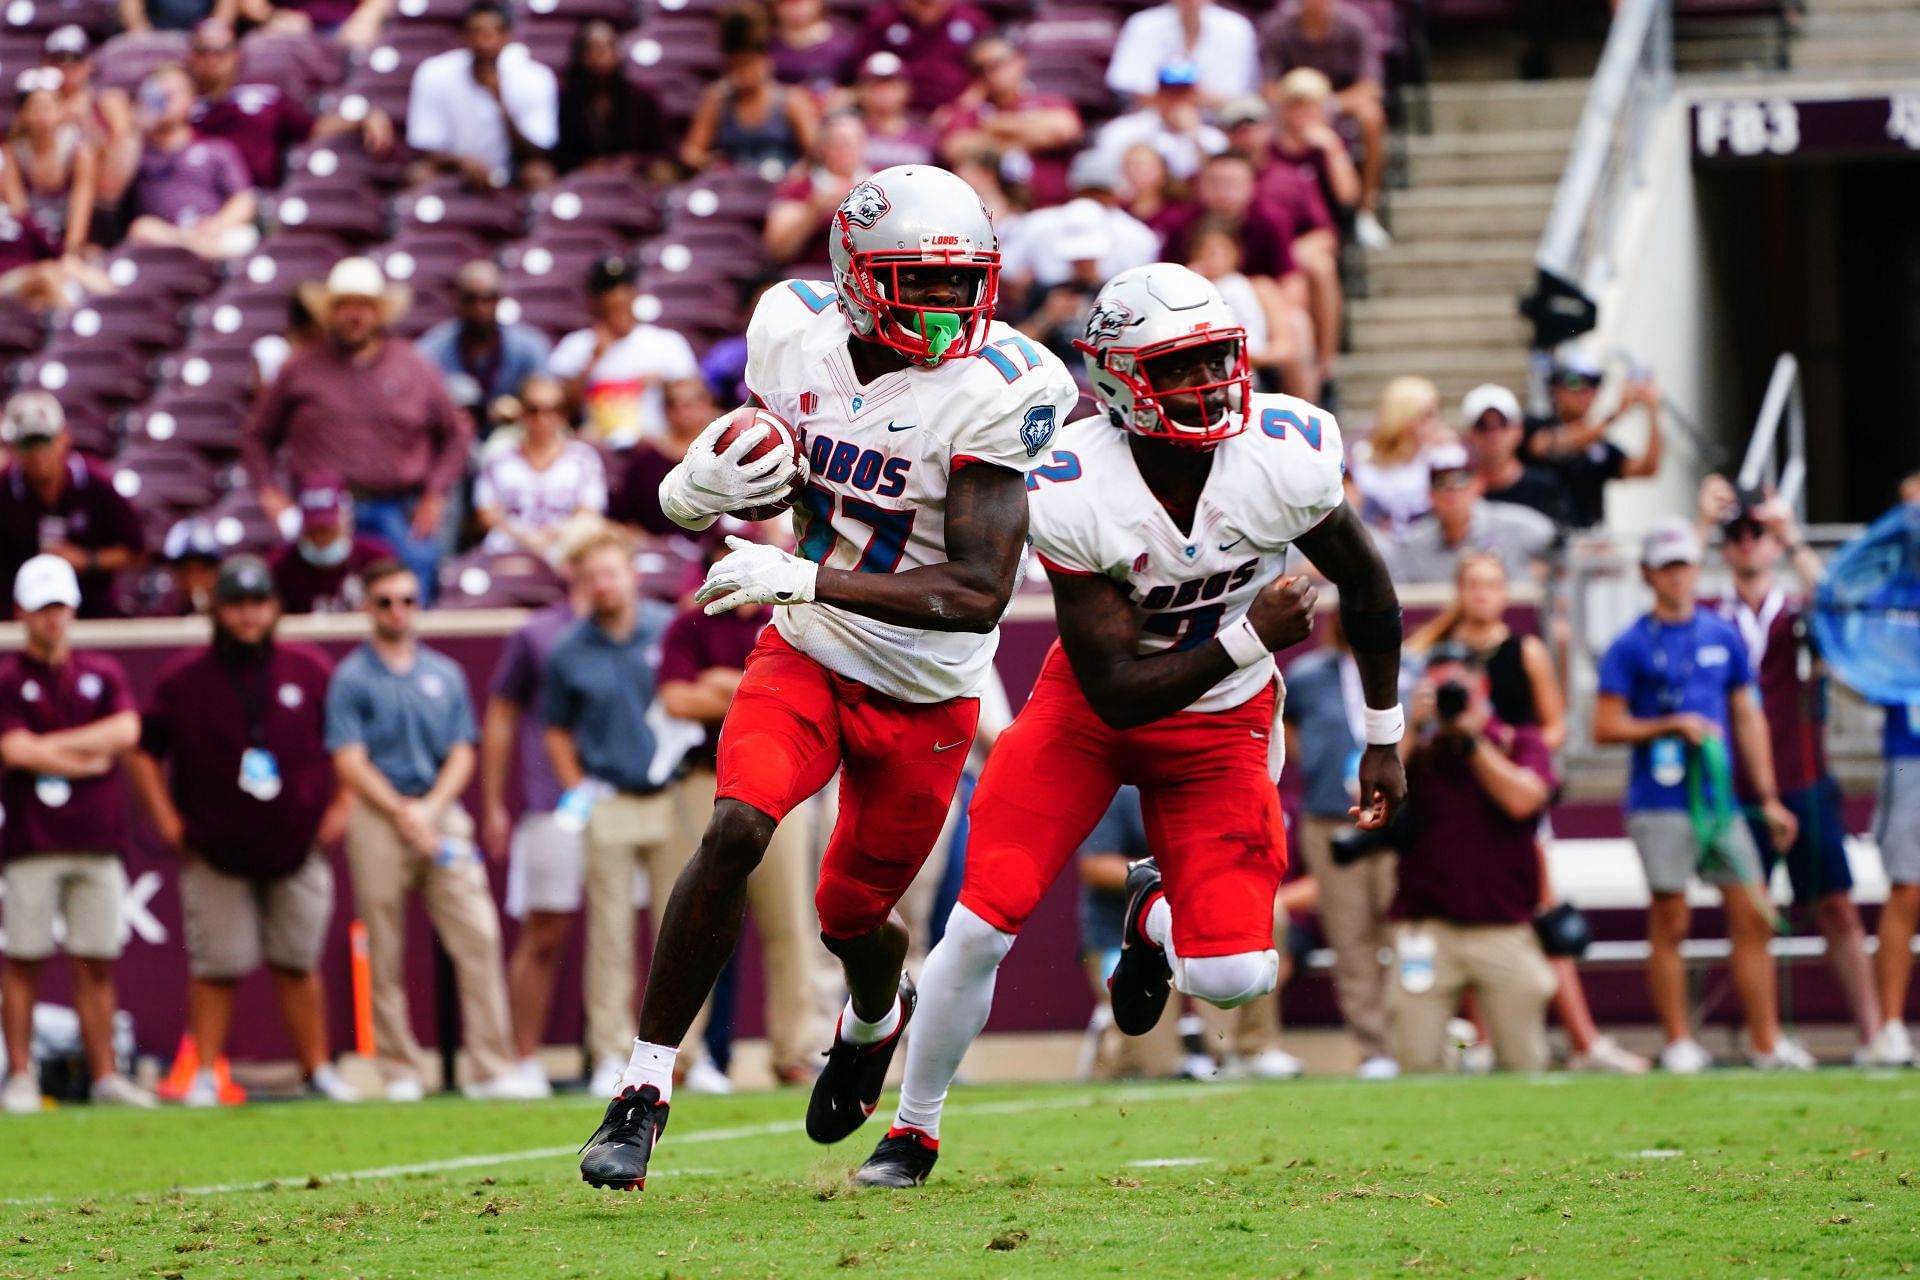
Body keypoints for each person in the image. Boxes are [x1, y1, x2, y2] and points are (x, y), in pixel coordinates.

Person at [576, 164, 1079, 1193]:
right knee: (735, 828)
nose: (945, 308)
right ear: (855, 275)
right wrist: (691, 488)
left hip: (927, 683)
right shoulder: (790, 331)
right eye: (917, 282)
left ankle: (873, 1017)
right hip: (806, 647)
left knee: (852, 917)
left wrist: (803, 568)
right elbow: (760, 461)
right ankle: (643, 1084)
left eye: (960, 282)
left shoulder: (1004, 384)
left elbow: (982, 588)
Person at [855, 263, 1408, 1188]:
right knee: (982, 923)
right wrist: (1247, 638)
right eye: (1180, 366)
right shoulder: (1071, 482)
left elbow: (1370, 582)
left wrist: (1383, 734)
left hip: (1221, 727)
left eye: (1216, 359)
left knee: (1235, 978)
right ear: (1115, 379)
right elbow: (1115, 689)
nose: (1206, 384)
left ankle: (1154, 920)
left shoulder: (1285, 451)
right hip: (1091, 714)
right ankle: (914, 1129)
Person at [126, 555, 358, 1107]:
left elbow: (347, 744)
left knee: (299, 963)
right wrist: (166, 819)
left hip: (295, 843)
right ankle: (205, 1072)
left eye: (259, 603)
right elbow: (142, 750)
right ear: (218, 608)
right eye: (237, 603)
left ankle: (316, 1070)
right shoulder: (183, 678)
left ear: (275, 608)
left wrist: (341, 807)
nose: (249, 615)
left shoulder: (309, 669)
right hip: (214, 845)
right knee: (217, 966)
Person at [1408, 552, 1649, 1074]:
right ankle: (1485, 1041)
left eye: (1492, 585)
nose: (1482, 595)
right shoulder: (1434, 653)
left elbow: (1555, 726)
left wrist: (1508, 747)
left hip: (1509, 787)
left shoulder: (1527, 651)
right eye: (1472, 585)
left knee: (1534, 910)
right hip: (1452, 795)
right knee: (1465, 911)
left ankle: (1583, 1039)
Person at [1593, 518, 1811, 1073]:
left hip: (1721, 798)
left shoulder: (1722, 634)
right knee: (1672, 920)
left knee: (1753, 913)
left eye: (1685, 564)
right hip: (1659, 799)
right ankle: (1679, 1040)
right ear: (1648, 574)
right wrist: (1669, 725)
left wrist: (1766, 797)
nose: (1678, 576)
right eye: (1667, 567)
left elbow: (1748, 717)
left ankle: (1765, 1042)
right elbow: (1605, 726)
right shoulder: (1630, 644)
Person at [326, 560, 533, 1100]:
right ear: (367, 608)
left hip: (440, 814)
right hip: (379, 817)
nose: (398, 611)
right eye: (386, 601)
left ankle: (491, 1065)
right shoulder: (351, 678)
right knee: (384, 947)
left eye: (408, 600)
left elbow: (463, 751)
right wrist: (401, 811)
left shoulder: (444, 673)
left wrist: (431, 810)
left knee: (480, 935)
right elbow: (349, 760)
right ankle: (398, 1070)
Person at [1699, 477, 1889, 1064]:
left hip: (1804, 777)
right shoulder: (1712, 615)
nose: (1749, 543)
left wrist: (1793, 535)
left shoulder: (1801, 613)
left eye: (1759, 533)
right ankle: (1767, 1041)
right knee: (1752, 915)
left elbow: (1845, 606)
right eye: (1738, 534)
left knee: (1836, 906)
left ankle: (1874, 1033)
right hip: (1737, 789)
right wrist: (1702, 522)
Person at [657, 540, 826, 1087]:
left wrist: (722, 686)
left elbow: (798, 694)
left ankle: (794, 1050)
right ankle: (674, 1054)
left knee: (791, 923)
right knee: (692, 916)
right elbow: (677, 701)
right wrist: (753, 691)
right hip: (705, 780)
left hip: (782, 786)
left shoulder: (790, 619)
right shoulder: (689, 626)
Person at [542, 527, 703, 1095]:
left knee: (684, 930)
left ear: (632, 574)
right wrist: (577, 788)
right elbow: (556, 731)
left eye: (611, 572)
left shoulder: (670, 629)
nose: (603, 584)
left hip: (670, 794)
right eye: (592, 577)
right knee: (609, 935)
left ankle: (685, 1058)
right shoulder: (568, 648)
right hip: (609, 798)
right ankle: (611, 1055)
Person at [0, 555, 152, 1113]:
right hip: (32, 840)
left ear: (73, 609)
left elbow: (127, 730)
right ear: (21, 613)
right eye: (41, 609)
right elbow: (12, 748)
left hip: (95, 836)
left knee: (96, 961)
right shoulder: (7, 679)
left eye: (59, 607)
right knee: (25, 957)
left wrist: (51, 750)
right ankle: (19, 1076)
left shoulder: (103, 671)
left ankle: (105, 1076)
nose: (52, 619)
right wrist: (85, 756)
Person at [246, 257, 471, 596]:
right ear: (329, 312)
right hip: (321, 513)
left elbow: (457, 433)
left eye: (364, 306)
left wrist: (435, 494)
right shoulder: (300, 368)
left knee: (402, 606)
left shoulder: (414, 366)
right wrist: (269, 493)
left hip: (397, 510)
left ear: (378, 312)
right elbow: (256, 435)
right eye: (344, 306)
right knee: (319, 608)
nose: (355, 315)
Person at [1389, 643, 1558, 1072]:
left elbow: (1524, 801)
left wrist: (1472, 741)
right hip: (1427, 929)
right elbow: (1368, 801)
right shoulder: (1419, 751)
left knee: (1525, 1063)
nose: (1449, 698)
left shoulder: (1518, 740)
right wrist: (1410, 730)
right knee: (1415, 1060)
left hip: (1503, 927)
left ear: (1480, 687)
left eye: (1456, 689)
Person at [480, 562, 585, 1095]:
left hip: (629, 796)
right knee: (544, 931)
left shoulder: (648, 626)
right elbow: (500, 715)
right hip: (553, 801)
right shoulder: (538, 633)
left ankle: (627, 1057)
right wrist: (495, 802)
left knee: (626, 934)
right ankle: (523, 1058)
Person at [1281, 613, 1399, 1078]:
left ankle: (1415, 1036)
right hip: (1332, 816)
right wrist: (1319, 765)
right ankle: (1374, 1049)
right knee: (1351, 940)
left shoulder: (1399, 668)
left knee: (1404, 932)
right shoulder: (1309, 675)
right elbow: (1287, 725)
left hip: (1393, 819)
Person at [185, 18, 392, 191]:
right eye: (204, 50)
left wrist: (361, 120)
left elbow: (311, 128)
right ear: (192, 56)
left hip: (256, 198)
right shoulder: (181, 106)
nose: (213, 59)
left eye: (222, 50)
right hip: (199, 197)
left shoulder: (266, 96)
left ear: (237, 53)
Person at [1259, 0, 1391, 249]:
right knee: (1255, 128)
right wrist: (1299, 110)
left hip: (1340, 107)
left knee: (1372, 116)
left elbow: (1370, 86)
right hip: (1290, 107)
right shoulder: (1277, 27)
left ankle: (1365, 210)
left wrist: (1324, 107)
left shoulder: (1355, 25)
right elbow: (1269, 88)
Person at [0, 392, 145, 619]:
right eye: (28, 443)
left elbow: (136, 551)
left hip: (94, 614)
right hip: (20, 617)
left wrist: (87, 560)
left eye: (44, 440)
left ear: (63, 437)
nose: (38, 454)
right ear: (15, 447)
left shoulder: (96, 484)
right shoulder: (4, 489)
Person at [547, 255, 699, 453]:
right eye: (608, 290)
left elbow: (695, 401)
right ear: (595, 299)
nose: (617, 297)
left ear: (634, 294)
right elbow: (559, 408)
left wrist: (663, 382)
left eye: (624, 289)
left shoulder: (667, 343)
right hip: (596, 448)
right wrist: (593, 358)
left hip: (654, 448)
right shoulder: (575, 345)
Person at [405, 0, 557, 191]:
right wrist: (462, 163)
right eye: (476, 32)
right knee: (419, 174)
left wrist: (500, 101)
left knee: (540, 174)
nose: (484, 41)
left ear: (507, 36)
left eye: (493, 33)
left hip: (512, 170)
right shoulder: (434, 73)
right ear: (464, 36)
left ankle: (537, 221)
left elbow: (538, 151)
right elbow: (425, 146)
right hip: (453, 168)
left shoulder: (536, 78)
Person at [125, 64, 258, 261]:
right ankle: (194, 250)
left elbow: (244, 200)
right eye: (158, 90)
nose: (165, 96)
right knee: (142, 228)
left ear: (192, 101)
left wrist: (216, 225)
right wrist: (134, 129)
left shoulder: (216, 149)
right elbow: (108, 195)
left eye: (173, 91)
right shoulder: (138, 153)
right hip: (163, 242)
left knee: (245, 236)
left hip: (213, 234)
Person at [1378, 443, 1558, 586]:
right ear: (1429, 494)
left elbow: (1565, 548)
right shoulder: (1412, 544)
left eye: (1460, 480)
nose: (1451, 492)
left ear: (1479, 484)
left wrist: (1557, 603)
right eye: (1440, 483)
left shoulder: (1517, 525)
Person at [936, 35, 1083, 209]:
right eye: (979, 69)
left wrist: (995, 126)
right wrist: (1030, 136)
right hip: (992, 213)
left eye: (996, 64)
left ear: (1019, 62)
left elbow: (1064, 130)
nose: (989, 74)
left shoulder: (1047, 101)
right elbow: (955, 148)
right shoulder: (970, 109)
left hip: (1051, 210)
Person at [473, 374, 607, 559]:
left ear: (564, 414)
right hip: (508, 550)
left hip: (567, 551)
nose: (542, 419)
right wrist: (525, 538)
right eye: (533, 410)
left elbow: (588, 512)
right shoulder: (497, 456)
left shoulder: (584, 458)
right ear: (521, 412)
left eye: (553, 410)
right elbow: (486, 515)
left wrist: (548, 537)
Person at [1524, 352, 1662, 530]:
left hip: (1585, 543)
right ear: (1556, 388)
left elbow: (1646, 468)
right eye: (1575, 381)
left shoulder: (1599, 444)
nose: (1586, 391)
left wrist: (1653, 411)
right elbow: (1549, 444)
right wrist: (1618, 412)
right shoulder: (1535, 426)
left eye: (1594, 383)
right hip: (1541, 538)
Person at [680, 5, 817, 177]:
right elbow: (691, 152)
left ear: (766, 62)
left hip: (780, 187)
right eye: (734, 66)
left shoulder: (791, 100)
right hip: (733, 190)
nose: (741, 73)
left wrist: (796, 174)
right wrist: (709, 163)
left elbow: (815, 154)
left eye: (747, 64)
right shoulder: (717, 99)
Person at [1184, 224, 1315, 399]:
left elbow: (1285, 348)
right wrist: (1190, 283)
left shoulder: (1260, 287)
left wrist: (1250, 357)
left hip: (1258, 367)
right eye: (1204, 252)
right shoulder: (1191, 291)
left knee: (1297, 323)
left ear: (1236, 252)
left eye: (1218, 251)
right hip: (1210, 366)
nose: (1211, 259)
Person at [414, 260, 553, 422]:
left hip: (513, 438)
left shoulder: (529, 346)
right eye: (470, 299)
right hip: (451, 435)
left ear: (499, 300)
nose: (480, 308)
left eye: (488, 298)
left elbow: (546, 399)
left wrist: (518, 407)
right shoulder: (431, 350)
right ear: (457, 300)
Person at [553, 19, 669, 177]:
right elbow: (560, 153)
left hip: (637, 177)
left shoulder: (644, 97)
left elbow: (663, 150)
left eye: (608, 47)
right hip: (584, 177)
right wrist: (589, 164)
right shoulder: (566, 100)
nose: (601, 56)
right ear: (580, 55)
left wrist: (635, 162)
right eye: (593, 49)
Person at [266, 472, 395, 613]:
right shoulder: (279, 566)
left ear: (346, 517)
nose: (321, 539)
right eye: (314, 531)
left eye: (328, 530)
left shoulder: (377, 558)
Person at [43, 26, 139, 208]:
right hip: (54, 194)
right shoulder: (36, 106)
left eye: (75, 59)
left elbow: (121, 158)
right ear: (46, 63)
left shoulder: (109, 103)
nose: (67, 66)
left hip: (103, 197)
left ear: (89, 63)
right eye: (59, 59)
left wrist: (88, 127)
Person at [5, 68, 97, 253]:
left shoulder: (80, 152)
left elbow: (81, 209)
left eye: (49, 106)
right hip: (30, 243)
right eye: (36, 108)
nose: (43, 115)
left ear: (62, 108)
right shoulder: (11, 154)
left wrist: (68, 254)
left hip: (68, 245)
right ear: (23, 114)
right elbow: (20, 214)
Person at [762, 112, 870, 265]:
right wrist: (814, 210)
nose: (847, 150)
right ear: (823, 148)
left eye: (854, 143)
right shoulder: (798, 188)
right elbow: (776, 250)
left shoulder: (880, 184)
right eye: (840, 143)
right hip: (812, 272)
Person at [1106, 0, 1260, 107]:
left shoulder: (1237, 28)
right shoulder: (1142, 25)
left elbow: (1240, 94)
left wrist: (1190, 101)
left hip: (1221, 123)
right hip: (1151, 119)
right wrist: (1175, 105)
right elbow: (1131, 87)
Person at [1347, 375, 1451, 530]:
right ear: (1404, 416)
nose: (1435, 423)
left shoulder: (1443, 458)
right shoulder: (1361, 457)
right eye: (1427, 415)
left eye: (1437, 413)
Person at [854, 0, 993, 115]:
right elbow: (862, 70)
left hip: (958, 112)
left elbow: (990, 65)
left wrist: (961, 107)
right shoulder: (883, 20)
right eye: (922, 3)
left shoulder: (972, 20)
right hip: (897, 113)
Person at [1095, 62, 1225, 185]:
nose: (1177, 100)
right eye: (1170, 93)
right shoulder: (1121, 130)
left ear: (1196, 96)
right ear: (1157, 94)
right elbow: (1110, 180)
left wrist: (1194, 136)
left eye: (1184, 94)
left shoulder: (1213, 138)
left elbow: (1217, 182)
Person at [1463, 383, 1572, 528]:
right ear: (1469, 435)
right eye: (1482, 425)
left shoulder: (1544, 488)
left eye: (1502, 423)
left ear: (1519, 430)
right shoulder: (1458, 494)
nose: (1493, 434)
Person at [851, 53, 935, 171]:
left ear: (906, 90)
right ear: (860, 91)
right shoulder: (847, 130)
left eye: (890, 86)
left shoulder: (924, 131)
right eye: (875, 86)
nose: (883, 93)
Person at [769, 0, 859, 94]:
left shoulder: (843, 44)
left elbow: (856, 88)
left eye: (802, 2)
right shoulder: (765, 42)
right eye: (787, 3)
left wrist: (843, 96)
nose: (795, 9)